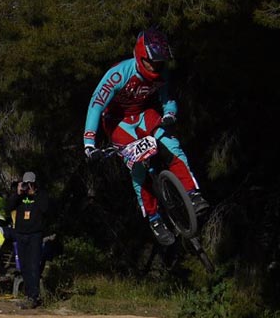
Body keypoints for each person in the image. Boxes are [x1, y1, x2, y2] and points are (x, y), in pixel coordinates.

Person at [82, 27, 207, 246]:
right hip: (116, 121)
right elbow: (96, 105)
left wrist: (170, 114)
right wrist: (89, 144)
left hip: (143, 113)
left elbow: (167, 98)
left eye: (160, 61)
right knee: (137, 166)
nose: (156, 66)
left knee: (172, 147)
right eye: (152, 61)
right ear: (140, 56)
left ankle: (192, 193)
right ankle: (154, 218)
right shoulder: (120, 73)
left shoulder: (162, 72)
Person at [6, 171, 50, 309]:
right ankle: (28, 294)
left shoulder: (41, 195)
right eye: (26, 183)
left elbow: (46, 209)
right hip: (21, 234)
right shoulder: (20, 197)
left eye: (30, 184)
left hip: (34, 235)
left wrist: (34, 195)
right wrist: (18, 193)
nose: (27, 186)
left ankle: (34, 296)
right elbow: (8, 207)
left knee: (33, 266)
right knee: (24, 266)